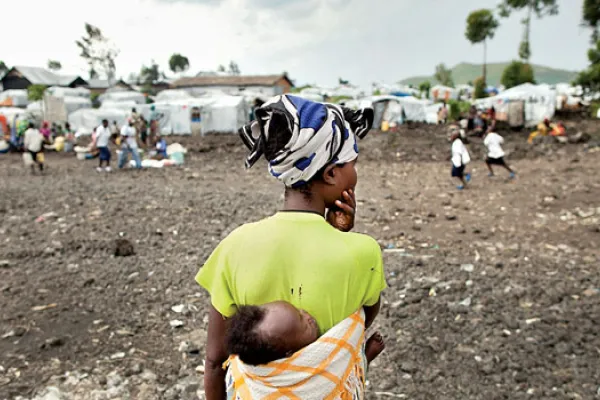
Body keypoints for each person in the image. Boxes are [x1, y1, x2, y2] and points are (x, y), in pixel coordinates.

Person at [196, 95, 384, 400]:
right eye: (353, 162)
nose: (356, 173)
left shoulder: (234, 246)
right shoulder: (363, 252)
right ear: (331, 173)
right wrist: (344, 236)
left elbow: (215, 361)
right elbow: (361, 320)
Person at [227, 301, 385, 366]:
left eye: (299, 312)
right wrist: (365, 357)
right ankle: (365, 358)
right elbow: (342, 380)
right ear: (289, 352)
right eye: (303, 325)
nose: (308, 316)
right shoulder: (308, 370)